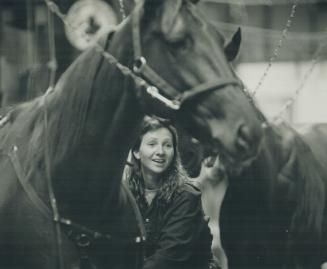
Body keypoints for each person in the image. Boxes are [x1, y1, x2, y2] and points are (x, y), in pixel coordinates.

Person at [124, 116, 217, 269]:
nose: (160, 151)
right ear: (136, 152)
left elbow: (168, 259)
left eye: (167, 145)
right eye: (152, 144)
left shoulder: (186, 196)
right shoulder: (124, 194)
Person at [191, 155, 229, 269]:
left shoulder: (233, 186)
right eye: (211, 160)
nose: (217, 165)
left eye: (222, 160)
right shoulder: (191, 188)